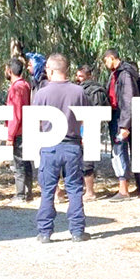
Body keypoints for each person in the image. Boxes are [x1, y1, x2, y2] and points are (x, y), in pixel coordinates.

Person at [33, 53, 91, 243]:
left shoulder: (41, 93)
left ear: (49, 70)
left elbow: (36, 122)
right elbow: (84, 119)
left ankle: (44, 232)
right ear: (66, 69)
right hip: (72, 146)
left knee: (47, 189)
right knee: (74, 188)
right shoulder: (79, 92)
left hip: (49, 146)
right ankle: (77, 231)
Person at [103, 49, 140, 201]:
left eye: (106, 61)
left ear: (111, 58)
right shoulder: (120, 73)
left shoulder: (124, 74)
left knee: (121, 150)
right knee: (133, 151)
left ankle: (125, 190)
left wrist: (125, 125)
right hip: (124, 116)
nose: (105, 64)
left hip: (124, 117)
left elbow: (128, 99)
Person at [75, 64, 110, 202]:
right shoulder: (82, 89)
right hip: (85, 127)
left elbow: (96, 111)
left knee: (87, 162)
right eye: (77, 76)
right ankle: (85, 189)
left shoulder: (94, 91)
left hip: (89, 126)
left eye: (81, 76)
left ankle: (90, 192)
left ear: (89, 76)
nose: (78, 79)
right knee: (82, 160)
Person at [6, 58, 33, 204]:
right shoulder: (25, 85)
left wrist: (10, 135)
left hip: (19, 131)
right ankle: (28, 192)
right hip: (26, 128)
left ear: (10, 70)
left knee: (18, 163)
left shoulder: (16, 88)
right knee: (26, 161)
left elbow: (15, 113)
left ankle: (20, 194)